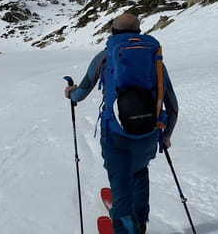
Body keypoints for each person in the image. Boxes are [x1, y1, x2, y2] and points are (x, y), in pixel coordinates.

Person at [64, 13, 178, 234]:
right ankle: (141, 222)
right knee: (139, 171)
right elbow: (172, 104)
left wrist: (70, 93)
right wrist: (166, 135)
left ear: (113, 32)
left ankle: (126, 227)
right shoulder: (155, 60)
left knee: (120, 183)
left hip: (116, 134)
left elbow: (80, 94)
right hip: (148, 133)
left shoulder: (105, 56)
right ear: (138, 32)